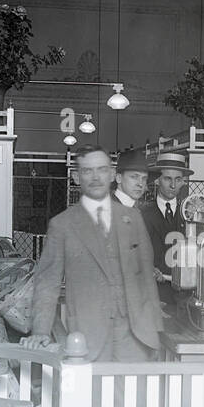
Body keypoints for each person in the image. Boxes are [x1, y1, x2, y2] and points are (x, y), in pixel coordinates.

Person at [22, 145, 163, 361]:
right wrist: (40, 331)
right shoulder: (62, 224)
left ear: (111, 174)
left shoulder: (132, 218)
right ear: (76, 177)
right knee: (93, 394)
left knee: (136, 394)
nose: (96, 177)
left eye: (102, 169)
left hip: (136, 335)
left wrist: (155, 330)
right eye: (88, 171)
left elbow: (146, 276)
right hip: (89, 336)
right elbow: (47, 283)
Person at [140, 151, 190, 306]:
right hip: (153, 293)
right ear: (157, 180)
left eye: (178, 179)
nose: (173, 185)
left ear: (183, 182)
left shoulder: (191, 213)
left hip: (186, 293)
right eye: (168, 178)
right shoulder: (141, 214)